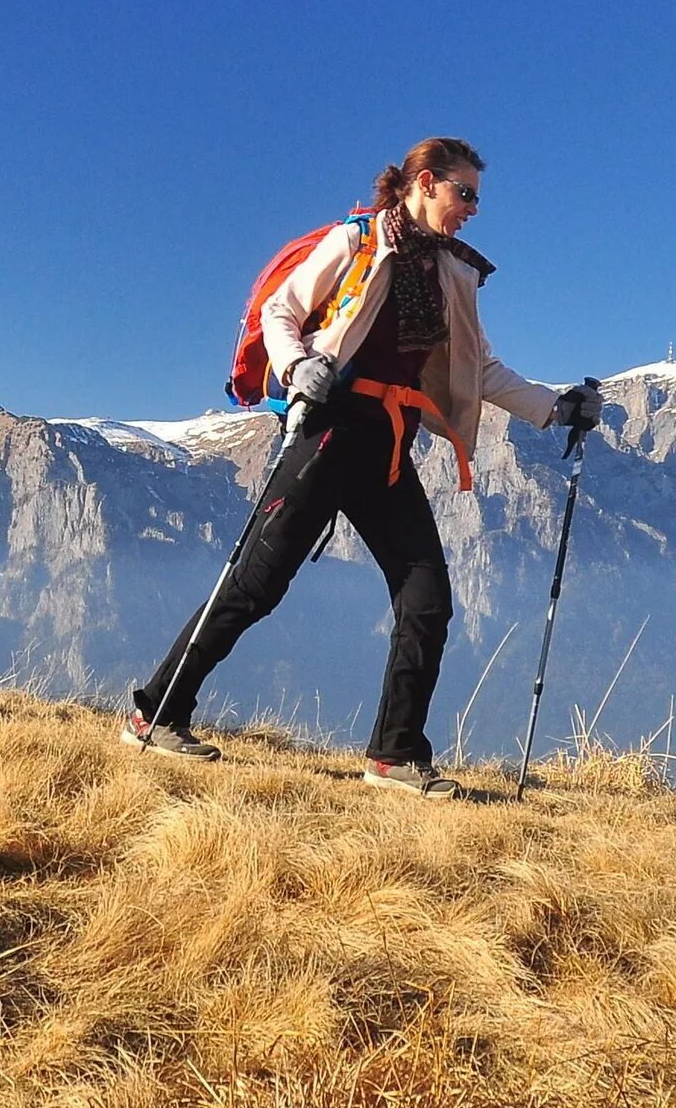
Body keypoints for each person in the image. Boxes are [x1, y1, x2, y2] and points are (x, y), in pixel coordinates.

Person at [120, 137, 603, 798]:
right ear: (426, 182)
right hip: (328, 429)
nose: (472, 209)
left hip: (387, 446)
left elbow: (479, 369)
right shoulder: (357, 242)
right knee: (256, 585)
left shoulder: (453, 274)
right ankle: (156, 710)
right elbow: (281, 310)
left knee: (427, 595)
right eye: (464, 193)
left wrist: (557, 408)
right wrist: (297, 367)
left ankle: (395, 753)